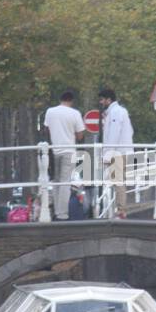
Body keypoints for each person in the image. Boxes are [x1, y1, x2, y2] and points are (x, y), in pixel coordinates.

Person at [43, 91, 87, 220]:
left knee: (56, 181)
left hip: (54, 150)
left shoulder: (50, 111)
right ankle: (62, 214)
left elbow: (47, 129)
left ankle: (56, 211)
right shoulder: (75, 113)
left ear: (60, 99)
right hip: (68, 150)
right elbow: (80, 136)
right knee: (65, 183)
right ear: (71, 101)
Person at [98, 88, 134, 219]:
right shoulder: (119, 111)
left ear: (109, 99)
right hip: (122, 150)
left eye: (102, 99)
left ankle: (121, 210)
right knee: (119, 180)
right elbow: (129, 131)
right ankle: (121, 209)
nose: (101, 102)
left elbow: (114, 133)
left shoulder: (115, 112)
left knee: (118, 181)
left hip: (117, 152)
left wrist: (108, 153)